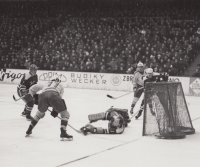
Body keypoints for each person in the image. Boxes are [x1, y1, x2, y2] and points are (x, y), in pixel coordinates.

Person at [25, 76, 73, 141]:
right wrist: (55, 110)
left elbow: (31, 89)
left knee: (39, 114)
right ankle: (63, 132)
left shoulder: (46, 84)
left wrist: (34, 97)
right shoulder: (61, 86)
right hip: (54, 95)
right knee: (65, 114)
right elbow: (59, 98)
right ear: (58, 81)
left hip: (43, 95)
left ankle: (29, 130)